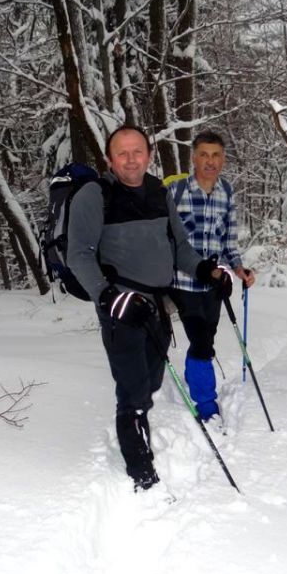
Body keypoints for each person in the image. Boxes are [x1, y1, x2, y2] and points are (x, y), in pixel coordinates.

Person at [67, 125, 226, 491]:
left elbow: (180, 247)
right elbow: (78, 254)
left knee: (152, 380)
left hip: (157, 306)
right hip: (121, 309)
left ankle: (139, 426)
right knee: (134, 390)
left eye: (137, 151)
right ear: (109, 159)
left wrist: (205, 269)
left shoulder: (158, 192)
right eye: (122, 153)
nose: (131, 159)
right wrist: (107, 297)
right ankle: (142, 473)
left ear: (149, 155)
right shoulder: (95, 195)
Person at [168, 130, 256, 424]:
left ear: (223, 159)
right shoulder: (176, 192)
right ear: (193, 157)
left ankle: (195, 372)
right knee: (202, 341)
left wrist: (239, 268)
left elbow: (228, 241)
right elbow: (164, 239)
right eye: (204, 155)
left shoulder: (226, 193)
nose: (210, 161)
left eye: (216, 155)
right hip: (183, 280)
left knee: (207, 336)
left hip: (215, 281)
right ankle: (206, 403)